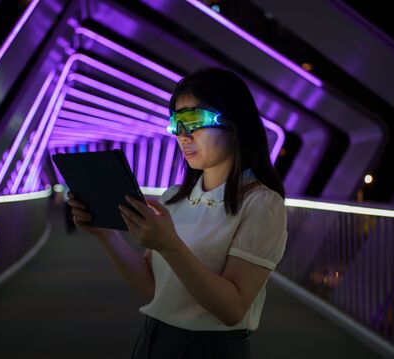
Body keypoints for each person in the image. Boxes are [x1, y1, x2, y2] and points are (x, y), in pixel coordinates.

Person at [66, 67, 288, 358]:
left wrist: (169, 245)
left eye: (193, 120)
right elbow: (151, 286)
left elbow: (232, 308)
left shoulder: (261, 204)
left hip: (211, 350)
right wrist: (105, 234)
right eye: (176, 123)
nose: (183, 135)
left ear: (235, 125)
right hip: (153, 340)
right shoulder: (173, 197)